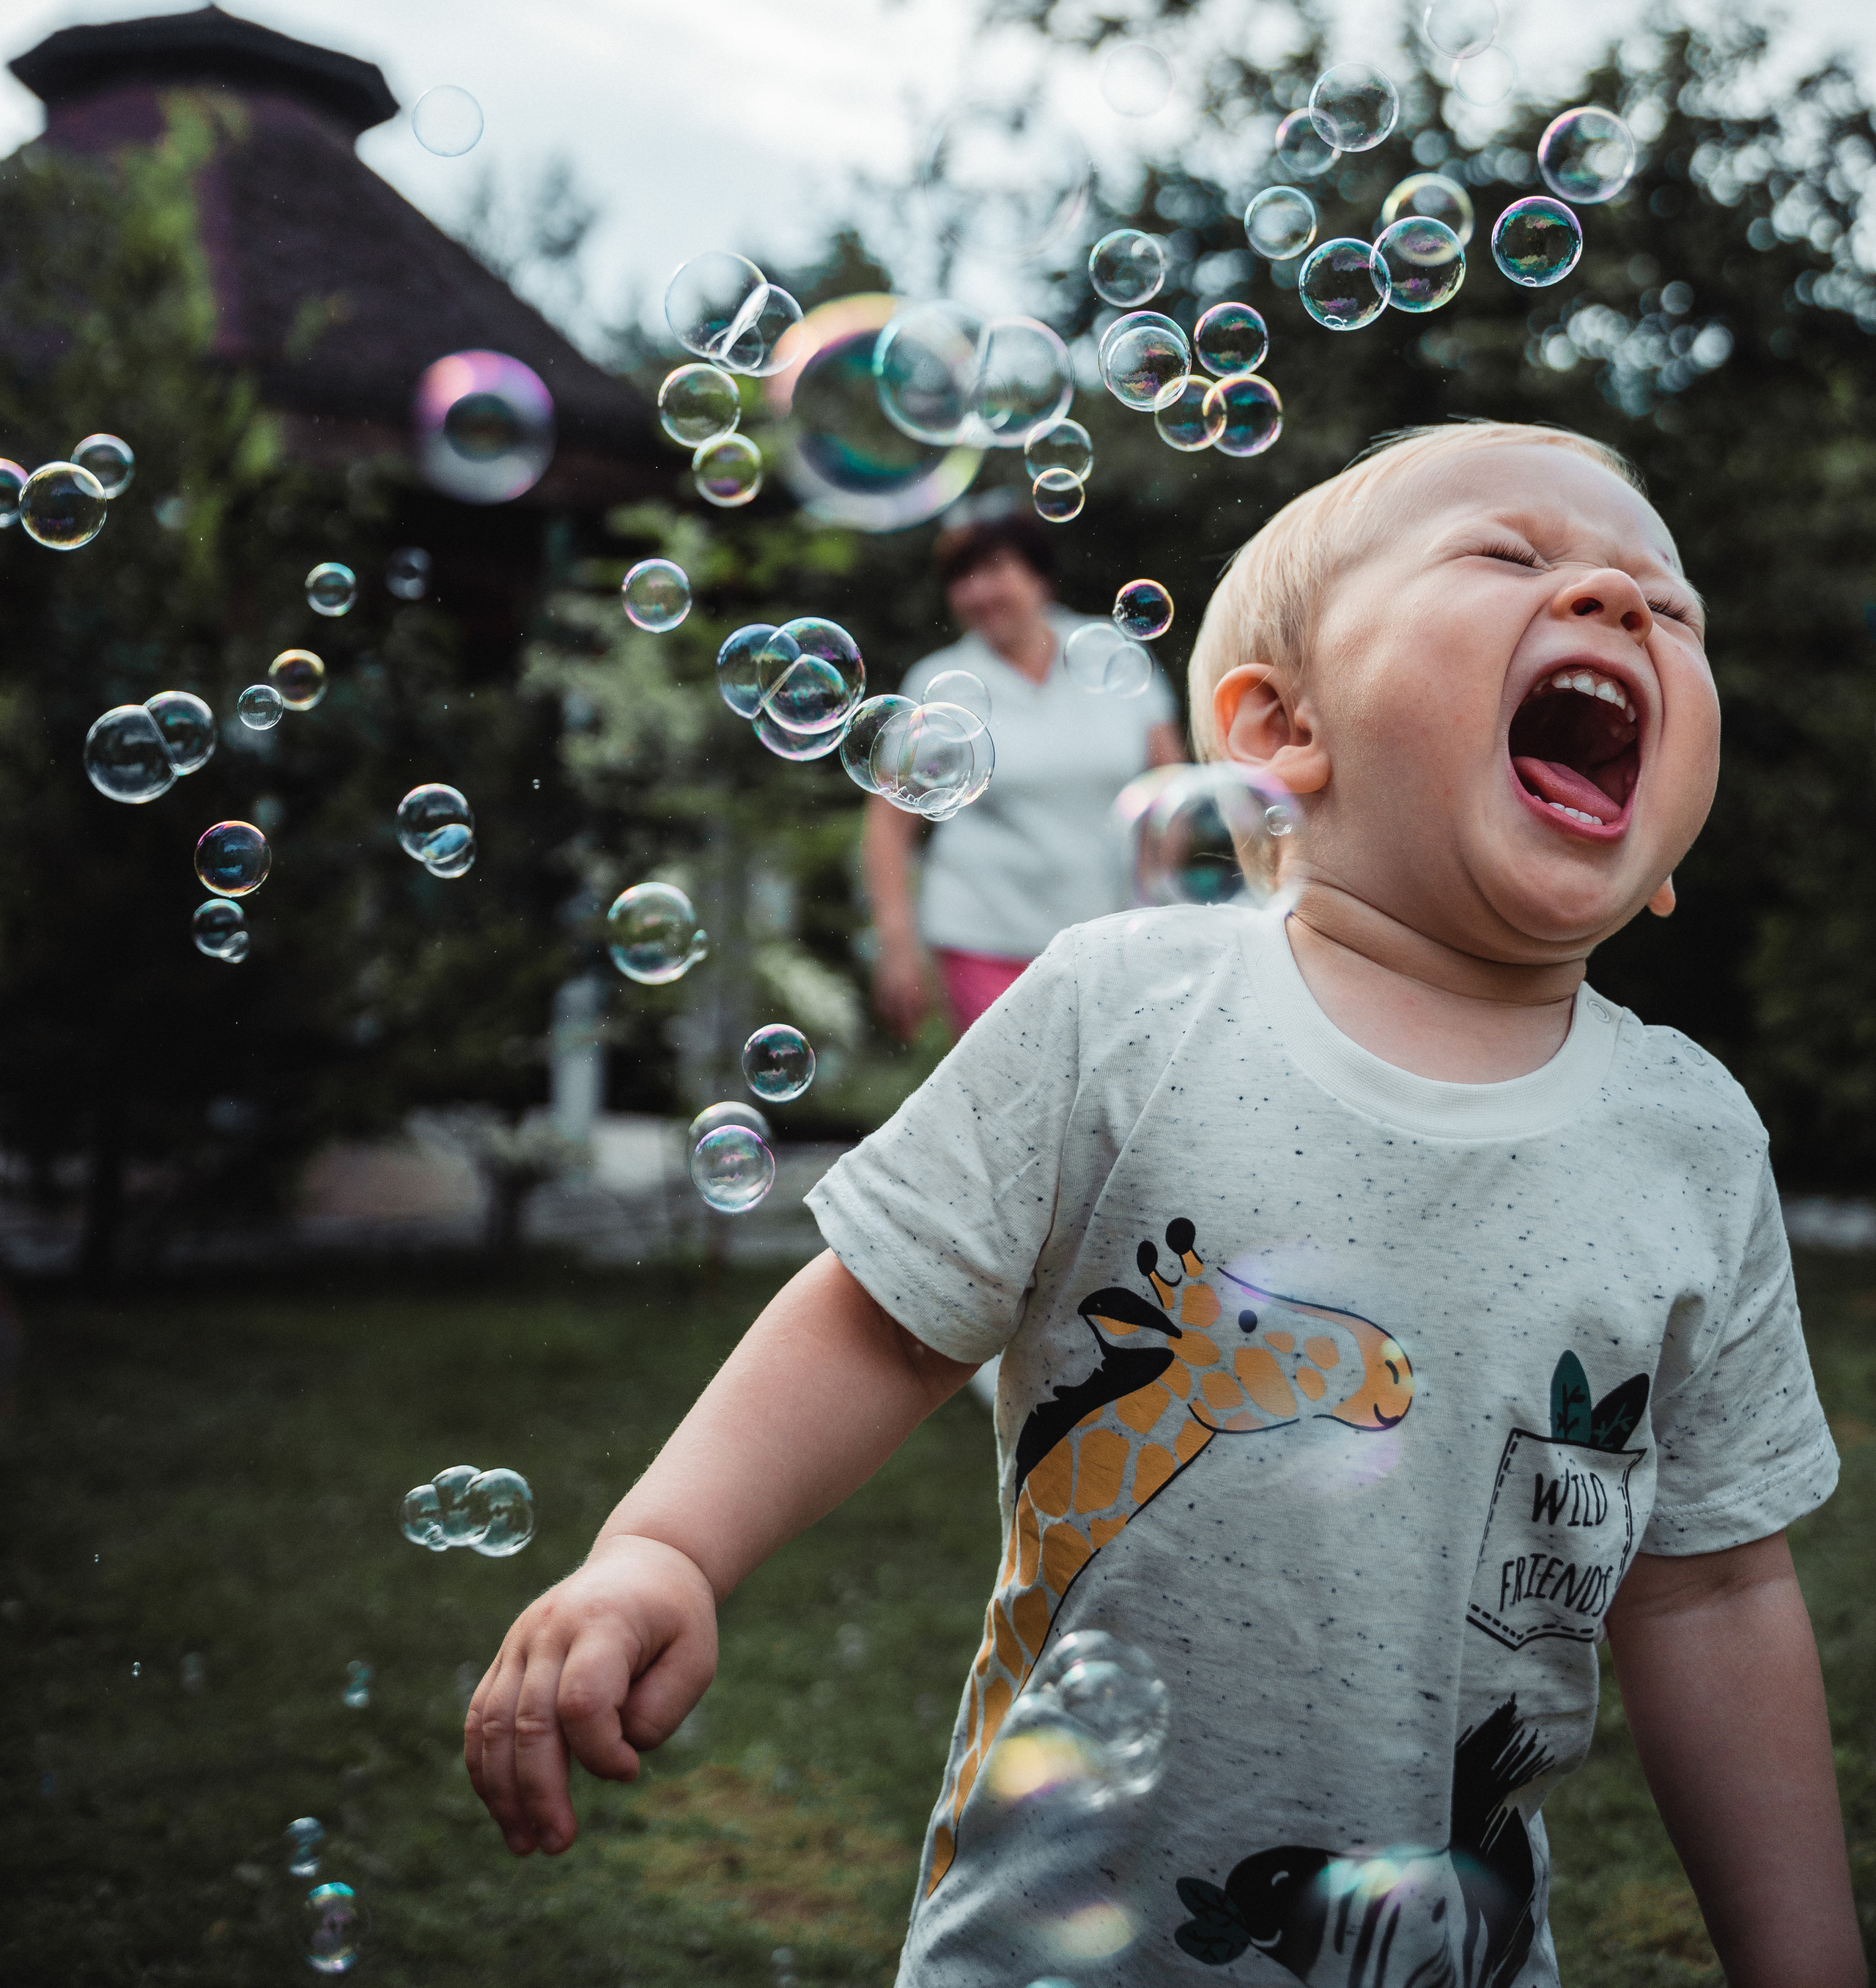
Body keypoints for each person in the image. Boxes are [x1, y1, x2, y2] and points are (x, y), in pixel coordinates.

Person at [464, 421, 1860, 1988]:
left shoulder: (1685, 1137)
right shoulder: (1123, 1012)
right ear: (1278, 732)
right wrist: (664, 1546)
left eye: (1668, 608)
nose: (1615, 598)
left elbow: (1714, 1584)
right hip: (1057, 1946)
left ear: (1666, 844)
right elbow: (884, 1326)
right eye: (1512, 557)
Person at [864, 502, 1183, 1038]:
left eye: (994, 570)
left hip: (1108, 938)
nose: (978, 592)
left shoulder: (1113, 655)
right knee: (1019, 1108)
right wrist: (897, 947)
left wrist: (1157, 908)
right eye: (962, 578)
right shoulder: (938, 680)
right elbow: (888, 827)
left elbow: (1171, 791)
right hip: (981, 936)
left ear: (1040, 577)